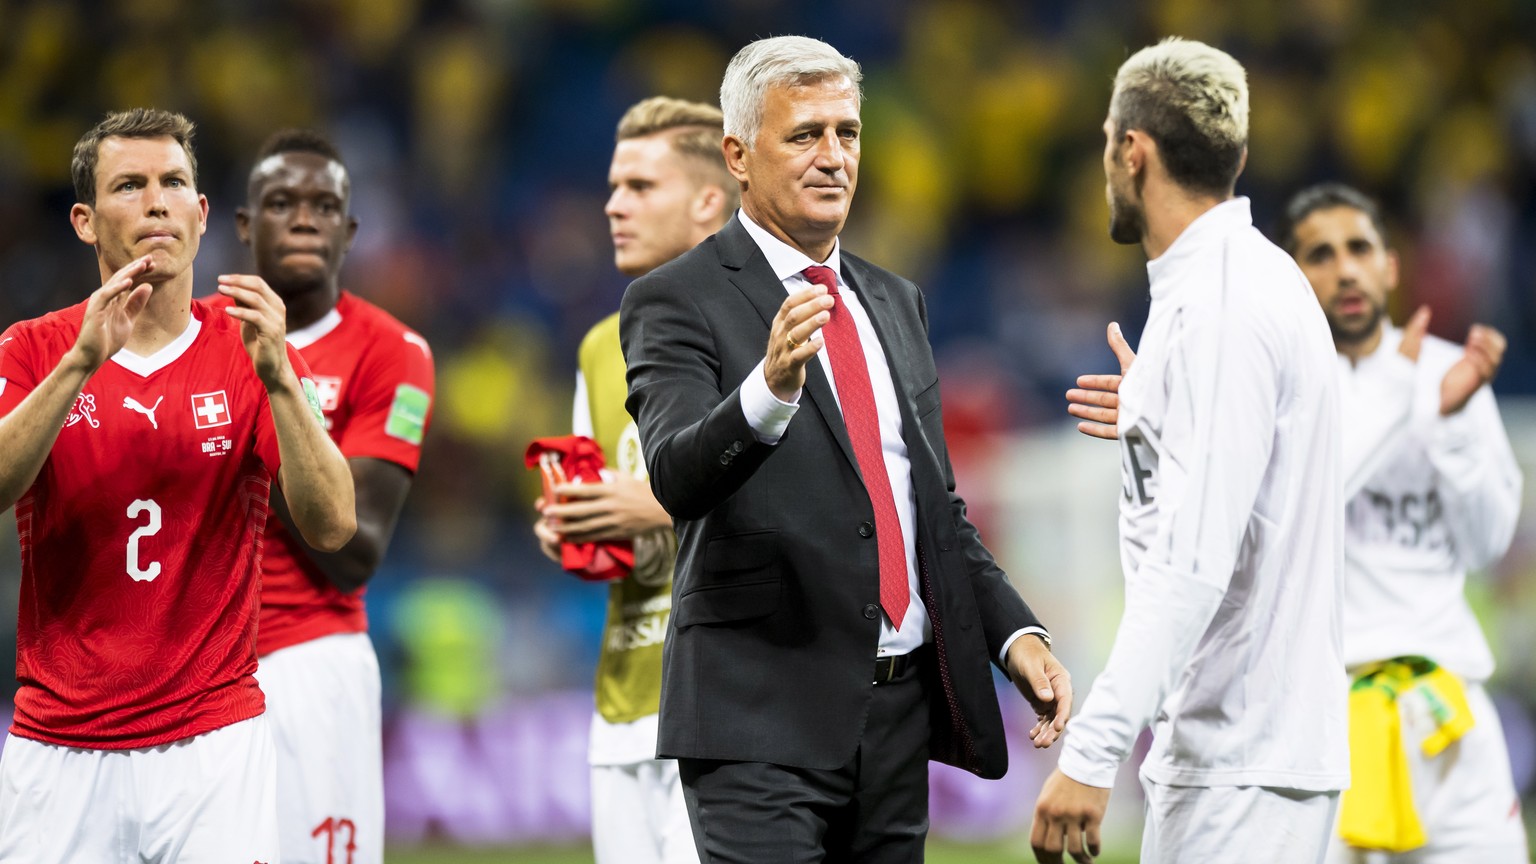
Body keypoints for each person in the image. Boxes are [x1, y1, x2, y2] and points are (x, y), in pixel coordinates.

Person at [619, 35, 1071, 862]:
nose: (833, 156)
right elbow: (677, 474)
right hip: (758, 716)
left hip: (896, 721)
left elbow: (930, 508)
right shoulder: (674, 300)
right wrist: (768, 391)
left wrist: (1016, 636)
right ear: (738, 156)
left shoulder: (896, 302)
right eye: (804, 135)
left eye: (847, 133)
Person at [0, 108, 355, 862]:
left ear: (200, 213)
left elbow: (332, 526)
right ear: (85, 222)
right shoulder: (33, 349)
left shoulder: (250, 348)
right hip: (59, 745)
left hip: (213, 743)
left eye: (174, 183)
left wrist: (282, 383)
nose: (156, 201)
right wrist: (80, 365)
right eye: (129, 186)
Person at [1040, 38, 1348, 864]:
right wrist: (1169, 414)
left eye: (1109, 141)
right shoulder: (1246, 283)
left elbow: (1193, 560)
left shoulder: (1220, 306)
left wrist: (1093, 751)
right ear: (1238, 155)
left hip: (1240, 762)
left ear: (1131, 150)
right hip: (1250, 756)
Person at [1273, 183, 1526, 864]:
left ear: (1390, 265)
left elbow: (1485, 546)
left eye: (1360, 248)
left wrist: (1447, 427)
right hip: (1324, 729)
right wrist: (1394, 406)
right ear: (1293, 277)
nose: (1345, 268)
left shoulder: (1453, 375)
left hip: (1450, 716)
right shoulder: (1277, 390)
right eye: (1320, 255)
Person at [531, 96, 734, 864]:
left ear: (709, 201)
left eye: (641, 187)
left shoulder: (756, 326)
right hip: (623, 705)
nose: (614, 205)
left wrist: (647, 503)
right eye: (614, 186)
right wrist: (569, 528)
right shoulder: (595, 346)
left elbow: (789, 493)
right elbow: (602, 505)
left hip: (723, 708)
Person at [227, 128, 435, 864]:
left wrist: (264, 390)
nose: (305, 218)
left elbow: (356, 552)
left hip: (310, 667)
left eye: (324, 205)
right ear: (246, 226)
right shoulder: (189, 340)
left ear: (348, 231)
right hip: (192, 669)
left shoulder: (393, 353)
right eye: (282, 202)